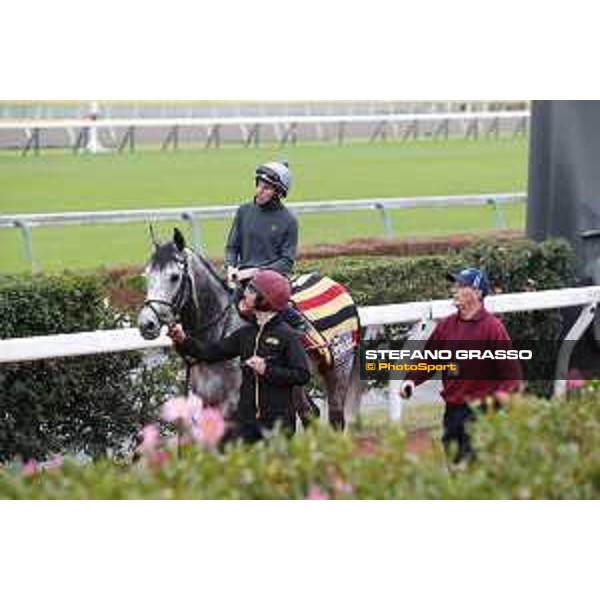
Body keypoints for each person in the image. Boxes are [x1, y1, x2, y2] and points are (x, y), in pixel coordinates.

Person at [167, 269, 311, 444]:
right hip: (247, 423)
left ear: (265, 299)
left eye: (251, 289)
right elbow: (209, 353)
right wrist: (183, 341)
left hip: (278, 425)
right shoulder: (245, 334)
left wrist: (268, 370)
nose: (245, 293)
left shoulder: (287, 336)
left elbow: (302, 375)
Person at [400, 267, 523, 464]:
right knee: (456, 472)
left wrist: (495, 408)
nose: (454, 290)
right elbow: (429, 359)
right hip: (452, 413)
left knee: (474, 474)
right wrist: (411, 381)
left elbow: (512, 378)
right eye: (454, 285)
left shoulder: (494, 329)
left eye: (461, 286)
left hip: (481, 414)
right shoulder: (446, 326)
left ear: (477, 293)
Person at [225, 161, 298, 288]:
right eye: (258, 185)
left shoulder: (289, 220)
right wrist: (231, 267)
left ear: (279, 193)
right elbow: (232, 247)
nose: (259, 191)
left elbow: (286, 262)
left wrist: (254, 272)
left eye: (266, 188)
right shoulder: (243, 211)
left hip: (272, 283)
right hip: (241, 279)